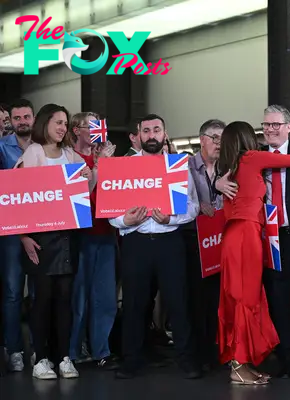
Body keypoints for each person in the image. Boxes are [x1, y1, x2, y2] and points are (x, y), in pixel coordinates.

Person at [216, 105, 290, 378]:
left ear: (288, 126)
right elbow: (223, 177)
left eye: (276, 124)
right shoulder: (252, 155)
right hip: (269, 241)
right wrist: (217, 185)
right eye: (266, 125)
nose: (270, 129)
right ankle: (284, 359)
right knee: (277, 303)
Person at [108, 114, 200, 380]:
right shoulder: (123, 166)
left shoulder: (177, 165)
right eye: (146, 130)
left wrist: (171, 218)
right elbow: (109, 208)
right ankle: (131, 360)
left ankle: (186, 359)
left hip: (169, 242)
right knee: (135, 304)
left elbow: (193, 206)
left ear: (164, 133)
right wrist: (124, 220)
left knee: (178, 302)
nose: (151, 135)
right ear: (138, 134)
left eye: (156, 129)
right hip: (135, 242)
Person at [17, 104, 95, 380]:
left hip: (67, 236)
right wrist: (24, 236)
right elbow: (19, 198)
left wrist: (90, 176)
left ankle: (63, 357)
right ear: (44, 124)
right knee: (42, 300)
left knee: (65, 300)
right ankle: (41, 359)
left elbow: (83, 194)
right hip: (40, 239)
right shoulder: (33, 153)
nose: (62, 127)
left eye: (65, 123)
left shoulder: (72, 155)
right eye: (57, 122)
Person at [68, 112, 118, 368]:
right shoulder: (70, 158)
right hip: (81, 234)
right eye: (90, 126)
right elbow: (79, 194)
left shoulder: (106, 158)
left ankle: (101, 351)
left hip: (106, 232)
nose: (96, 130)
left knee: (106, 297)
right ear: (76, 130)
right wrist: (100, 165)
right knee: (79, 297)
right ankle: (72, 351)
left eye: (99, 125)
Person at [185, 118, 225, 372]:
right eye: (215, 137)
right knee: (194, 299)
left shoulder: (228, 167)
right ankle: (197, 352)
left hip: (220, 240)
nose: (219, 143)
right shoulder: (186, 166)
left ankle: (216, 350)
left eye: (223, 138)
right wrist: (198, 206)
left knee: (217, 298)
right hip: (192, 240)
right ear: (202, 139)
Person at [0, 99, 35, 372]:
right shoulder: (1, 148)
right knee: (12, 293)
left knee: (38, 293)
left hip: (43, 228)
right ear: (9, 121)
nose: (22, 121)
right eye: (17, 117)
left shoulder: (44, 147)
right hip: (11, 232)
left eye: (26, 116)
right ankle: (14, 349)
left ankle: (39, 348)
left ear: (34, 118)